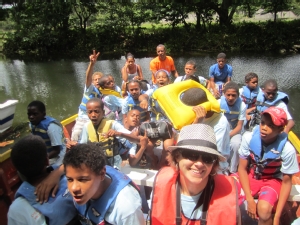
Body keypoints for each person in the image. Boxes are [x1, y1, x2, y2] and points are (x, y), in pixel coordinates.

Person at [150, 124, 240, 225]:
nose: (199, 164)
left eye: (208, 158)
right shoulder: (161, 187)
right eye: (191, 155)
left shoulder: (228, 197)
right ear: (177, 157)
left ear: (214, 163)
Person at [235, 107, 299, 225]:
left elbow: (286, 182)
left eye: (271, 126)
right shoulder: (248, 137)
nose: (264, 128)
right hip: (251, 175)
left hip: (272, 180)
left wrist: (277, 217)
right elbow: (242, 169)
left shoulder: (287, 149)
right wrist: (249, 199)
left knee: (264, 210)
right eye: (263, 123)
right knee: (228, 195)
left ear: (280, 130)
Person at [63, 143, 145, 225]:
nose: (74, 188)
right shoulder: (89, 174)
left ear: (102, 174)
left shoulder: (126, 207)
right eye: (69, 179)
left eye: (83, 180)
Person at [8, 135, 77, 225]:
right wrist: (59, 171)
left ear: (19, 171)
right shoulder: (74, 179)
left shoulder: (17, 210)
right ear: (47, 160)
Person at [78, 98, 140, 169]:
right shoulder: (86, 127)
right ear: (87, 113)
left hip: (113, 162)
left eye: (96, 111)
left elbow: (137, 140)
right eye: (90, 112)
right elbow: (82, 147)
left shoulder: (113, 124)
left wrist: (118, 133)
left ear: (103, 112)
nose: (93, 115)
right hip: (95, 162)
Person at [181, 88, 231, 173]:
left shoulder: (220, 123)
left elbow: (212, 154)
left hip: (214, 166)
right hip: (194, 158)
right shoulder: (194, 118)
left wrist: (197, 125)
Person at [71, 50, 102, 141]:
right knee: (76, 134)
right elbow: (88, 76)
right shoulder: (89, 89)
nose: (97, 81)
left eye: (99, 79)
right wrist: (91, 64)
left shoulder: (104, 93)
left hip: (95, 119)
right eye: (95, 79)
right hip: (83, 117)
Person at [27, 100, 66, 168]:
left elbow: (56, 150)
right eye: (29, 114)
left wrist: (42, 160)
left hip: (57, 154)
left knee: (45, 170)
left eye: (35, 114)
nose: (31, 117)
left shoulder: (51, 127)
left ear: (43, 114)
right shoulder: (32, 124)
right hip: (44, 151)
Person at [220, 81, 246, 173]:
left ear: (238, 95)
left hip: (234, 130)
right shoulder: (218, 103)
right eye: (228, 95)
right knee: (219, 143)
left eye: (233, 95)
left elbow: (239, 126)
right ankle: (220, 167)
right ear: (224, 94)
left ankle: (232, 169)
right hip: (221, 129)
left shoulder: (242, 106)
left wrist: (228, 135)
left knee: (236, 145)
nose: (230, 98)